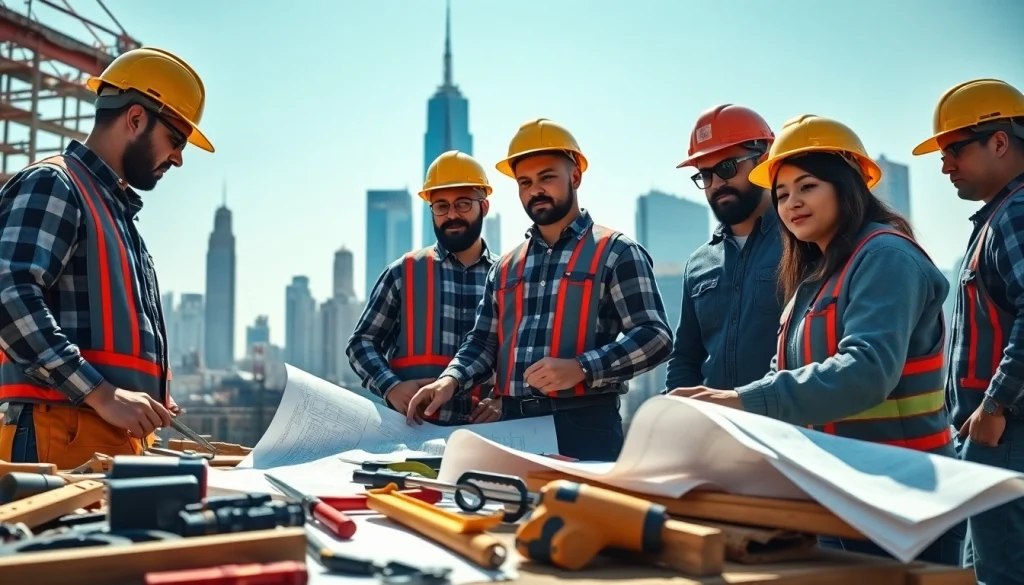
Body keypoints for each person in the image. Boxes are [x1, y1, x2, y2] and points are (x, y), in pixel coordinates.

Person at [670, 114, 963, 564]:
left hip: (903, 496)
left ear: (847, 185)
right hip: (835, 490)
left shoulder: (885, 257)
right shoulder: (814, 274)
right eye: (783, 193)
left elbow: (866, 371)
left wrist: (739, 401)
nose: (792, 204)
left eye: (808, 187)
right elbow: (780, 370)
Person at [405, 118, 673, 462]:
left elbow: (655, 336)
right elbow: (483, 342)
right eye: (525, 182)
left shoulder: (616, 252)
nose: (535, 190)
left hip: (585, 424)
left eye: (547, 177)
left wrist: (582, 367)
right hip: (512, 423)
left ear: (574, 176)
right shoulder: (506, 267)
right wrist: (451, 380)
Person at [0, 47, 213, 469]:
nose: (178, 158)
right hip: (60, 432)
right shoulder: (55, 184)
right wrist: (103, 393)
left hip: (104, 435)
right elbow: (8, 292)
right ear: (135, 119)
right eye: (175, 139)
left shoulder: (113, 212)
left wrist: (144, 395)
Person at [912, 78, 1024, 584]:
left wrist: (994, 406)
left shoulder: (1017, 213)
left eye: (954, 149)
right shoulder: (999, 216)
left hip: (1005, 434)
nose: (944, 164)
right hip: (991, 437)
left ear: (1000, 142)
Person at [346, 150, 502, 425]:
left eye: (463, 204)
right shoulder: (402, 273)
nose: (451, 214)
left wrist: (502, 400)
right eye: (441, 205)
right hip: (413, 431)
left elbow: (524, 353)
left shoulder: (508, 277)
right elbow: (362, 343)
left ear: (484, 207)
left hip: (487, 433)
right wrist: (391, 386)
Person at [665, 104, 784, 392]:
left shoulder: (802, 242)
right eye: (705, 175)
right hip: (720, 431)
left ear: (764, 161)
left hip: (791, 427)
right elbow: (685, 359)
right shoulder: (698, 264)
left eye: (727, 168)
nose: (717, 183)